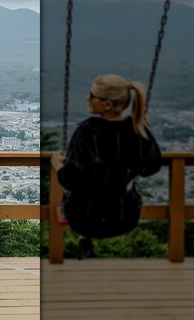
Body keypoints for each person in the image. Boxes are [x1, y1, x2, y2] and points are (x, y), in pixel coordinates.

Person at [51, 74, 162, 259]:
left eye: (92, 95)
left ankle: (85, 241)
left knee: (82, 196)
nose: (88, 98)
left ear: (108, 104)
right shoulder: (137, 130)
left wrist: (58, 165)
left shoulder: (87, 132)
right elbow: (152, 167)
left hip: (85, 219)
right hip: (125, 216)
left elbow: (71, 180)